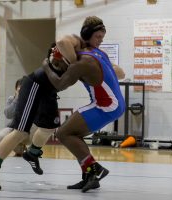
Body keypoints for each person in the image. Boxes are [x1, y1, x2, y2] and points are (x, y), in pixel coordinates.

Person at [42, 16, 126, 193]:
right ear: (87, 35)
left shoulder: (83, 62)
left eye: (102, 38)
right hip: (112, 104)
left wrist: (47, 67)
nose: (100, 41)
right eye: (98, 37)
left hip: (105, 105)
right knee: (74, 134)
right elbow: (120, 73)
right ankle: (89, 175)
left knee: (64, 133)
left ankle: (94, 169)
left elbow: (59, 85)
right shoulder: (96, 53)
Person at [0, 45, 70, 191]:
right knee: (20, 131)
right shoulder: (73, 51)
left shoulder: (84, 55)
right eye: (98, 36)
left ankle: (32, 154)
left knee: (50, 127)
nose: (100, 40)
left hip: (48, 90)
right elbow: (60, 79)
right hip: (35, 85)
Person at [0, 78, 28, 157]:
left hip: (29, 129)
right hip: (14, 127)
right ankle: (20, 150)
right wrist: (16, 99)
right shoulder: (12, 99)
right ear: (16, 89)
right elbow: (8, 114)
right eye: (19, 88)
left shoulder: (32, 99)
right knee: (0, 136)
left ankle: (33, 151)